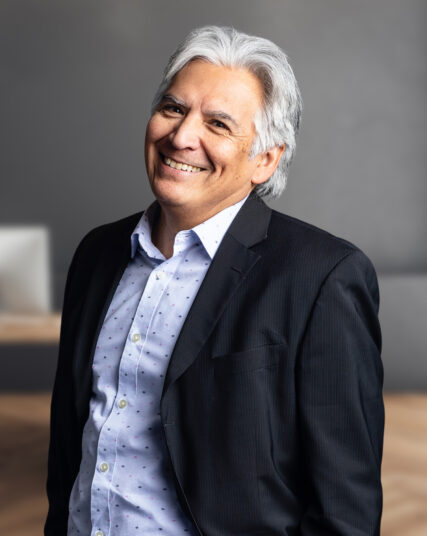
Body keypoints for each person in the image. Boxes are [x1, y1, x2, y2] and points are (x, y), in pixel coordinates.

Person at [45, 25, 384, 536]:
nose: (181, 137)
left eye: (218, 124)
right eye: (173, 108)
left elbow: (345, 509)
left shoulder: (323, 278)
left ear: (265, 160)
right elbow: (70, 447)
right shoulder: (98, 254)